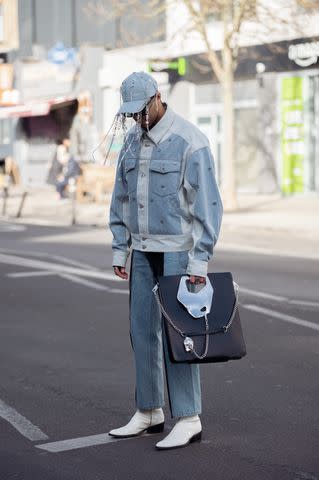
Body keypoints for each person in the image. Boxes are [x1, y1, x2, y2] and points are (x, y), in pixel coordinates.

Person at [108, 72, 223, 450]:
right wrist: (119, 247)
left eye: (142, 111)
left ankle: (189, 418)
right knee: (140, 332)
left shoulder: (190, 140)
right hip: (141, 250)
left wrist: (199, 262)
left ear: (158, 97)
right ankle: (149, 411)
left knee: (181, 336)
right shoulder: (129, 143)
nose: (138, 119)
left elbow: (209, 206)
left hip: (178, 251)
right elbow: (121, 198)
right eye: (132, 114)